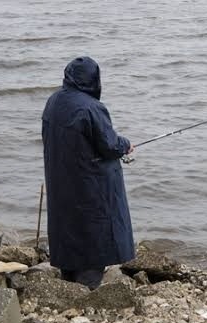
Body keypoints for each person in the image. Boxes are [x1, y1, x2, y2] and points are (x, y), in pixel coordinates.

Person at [41, 56, 135, 290]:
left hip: (61, 180)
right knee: (94, 233)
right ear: (94, 80)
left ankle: (68, 284)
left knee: (69, 229)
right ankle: (86, 293)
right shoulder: (92, 107)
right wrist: (125, 144)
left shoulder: (53, 101)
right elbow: (110, 145)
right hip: (90, 185)